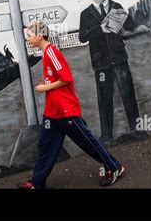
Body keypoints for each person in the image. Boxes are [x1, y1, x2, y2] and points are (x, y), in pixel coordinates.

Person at [17, 21, 125, 189]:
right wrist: (47, 84)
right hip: (52, 114)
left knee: (88, 143)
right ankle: (36, 183)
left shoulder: (51, 52)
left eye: (29, 36)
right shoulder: (46, 54)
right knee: (45, 147)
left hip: (66, 111)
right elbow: (56, 79)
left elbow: (66, 78)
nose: (28, 40)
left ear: (39, 36)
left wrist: (45, 87)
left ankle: (114, 167)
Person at [79, 0, 144, 145]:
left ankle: (136, 129)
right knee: (104, 97)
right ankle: (107, 135)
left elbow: (130, 27)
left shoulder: (116, 6)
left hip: (119, 58)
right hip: (100, 62)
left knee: (128, 94)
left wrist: (126, 17)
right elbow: (82, 37)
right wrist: (99, 29)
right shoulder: (86, 14)